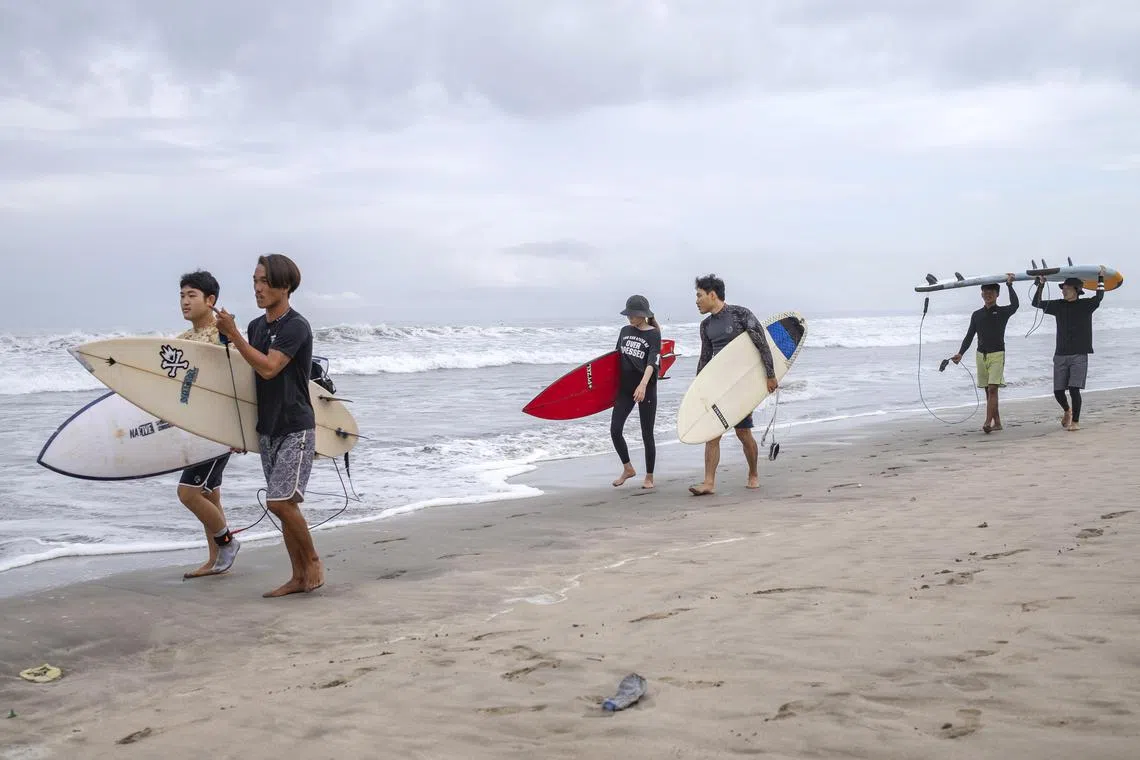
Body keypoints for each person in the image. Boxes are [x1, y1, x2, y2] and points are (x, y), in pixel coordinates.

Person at [214, 253, 323, 597]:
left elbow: (269, 368)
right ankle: (298, 576)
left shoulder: (295, 326)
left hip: (295, 425)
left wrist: (234, 334)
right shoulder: (257, 327)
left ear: (285, 286)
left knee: (280, 502)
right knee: (285, 505)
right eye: (255, 282)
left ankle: (313, 563)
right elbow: (251, 380)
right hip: (268, 427)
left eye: (264, 282)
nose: (258, 289)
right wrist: (239, 430)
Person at [175, 270, 241, 578]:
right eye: (182, 295)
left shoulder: (223, 336)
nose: (185, 301)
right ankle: (215, 560)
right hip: (195, 429)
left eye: (192, 295)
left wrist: (239, 430)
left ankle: (227, 543)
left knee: (188, 493)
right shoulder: (183, 341)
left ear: (210, 300)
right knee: (210, 494)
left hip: (218, 429)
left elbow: (239, 381)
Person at [688, 274, 778, 496]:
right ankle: (708, 482)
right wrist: (698, 388)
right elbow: (705, 358)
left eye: (699, 296)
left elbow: (762, 344)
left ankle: (753, 474)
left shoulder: (740, 315)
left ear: (712, 295)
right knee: (712, 433)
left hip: (742, 385)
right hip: (719, 385)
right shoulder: (706, 325)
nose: (697, 301)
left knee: (743, 432)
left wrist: (770, 375)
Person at [1031, 266, 1107, 432]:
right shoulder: (1058, 305)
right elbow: (1035, 303)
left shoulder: (1086, 305)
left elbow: (1099, 297)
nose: (1064, 291)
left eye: (1067, 288)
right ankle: (1067, 410)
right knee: (1058, 392)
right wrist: (1041, 284)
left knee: (1074, 389)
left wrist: (1100, 278)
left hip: (1079, 353)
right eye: (1063, 288)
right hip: (1060, 353)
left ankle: (1076, 422)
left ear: (1077, 290)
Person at [950, 273, 1019, 434]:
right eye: (985, 292)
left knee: (993, 388)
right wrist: (960, 353)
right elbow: (969, 336)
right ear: (981, 294)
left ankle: (988, 422)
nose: (988, 295)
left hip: (997, 354)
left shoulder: (1002, 312)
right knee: (989, 390)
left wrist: (1010, 286)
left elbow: (1015, 305)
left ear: (997, 295)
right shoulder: (977, 315)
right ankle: (998, 422)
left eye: (991, 293)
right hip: (981, 355)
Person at [610, 295, 662, 490]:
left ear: (643, 314)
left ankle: (649, 476)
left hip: (646, 387)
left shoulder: (653, 334)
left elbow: (652, 362)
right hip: (625, 388)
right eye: (629, 314)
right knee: (615, 430)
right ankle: (628, 468)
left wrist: (642, 385)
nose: (630, 317)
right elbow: (615, 358)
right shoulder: (624, 331)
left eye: (633, 314)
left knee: (647, 433)